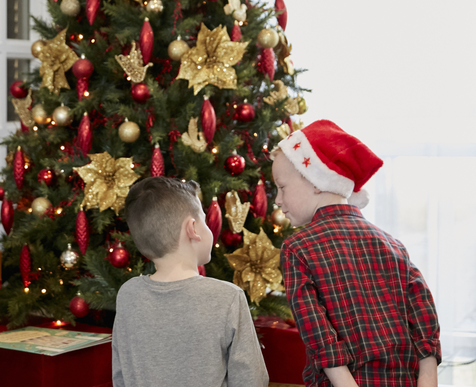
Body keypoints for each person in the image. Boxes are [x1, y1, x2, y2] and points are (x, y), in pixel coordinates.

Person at [273, 120, 441, 387]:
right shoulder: (393, 244)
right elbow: (422, 311)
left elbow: (317, 330)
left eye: (281, 187)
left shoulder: (298, 247)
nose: (277, 200)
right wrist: (428, 378)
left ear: (316, 181)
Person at [112, 176, 269, 387]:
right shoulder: (228, 297)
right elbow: (251, 380)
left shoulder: (128, 295)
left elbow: (121, 375)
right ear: (193, 229)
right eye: (204, 220)